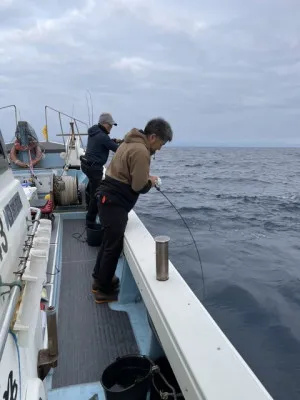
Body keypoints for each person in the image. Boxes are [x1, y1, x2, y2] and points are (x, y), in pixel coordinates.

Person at [91, 117, 173, 303]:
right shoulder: (141, 151)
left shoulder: (130, 142)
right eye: (162, 142)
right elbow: (138, 186)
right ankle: (103, 291)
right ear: (153, 137)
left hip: (106, 198)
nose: (160, 148)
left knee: (108, 241)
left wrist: (146, 177)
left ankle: (99, 279)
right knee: (113, 246)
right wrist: (150, 182)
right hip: (114, 202)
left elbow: (129, 174)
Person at [80, 112, 121, 226]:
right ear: (104, 123)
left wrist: (115, 140)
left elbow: (105, 141)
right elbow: (117, 150)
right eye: (110, 125)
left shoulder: (94, 132)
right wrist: (126, 146)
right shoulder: (102, 136)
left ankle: (88, 206)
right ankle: (90, 220)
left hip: (86, 165)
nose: (111, 127)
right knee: (96, 195)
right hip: (94, 169)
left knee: (92, 187)